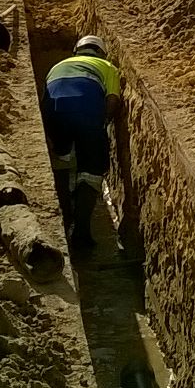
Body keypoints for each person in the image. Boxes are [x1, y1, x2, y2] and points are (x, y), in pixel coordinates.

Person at [41, 34, 120, 249]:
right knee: (91, 170)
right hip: (88, 110)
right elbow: (112, 99)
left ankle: (65, 220)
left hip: (54, 111)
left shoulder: (57, 66)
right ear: (101, 52)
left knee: (61, 161)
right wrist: (102, 124)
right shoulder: (107, 66)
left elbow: (46, 96)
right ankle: (82, 232)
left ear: (77, 51)